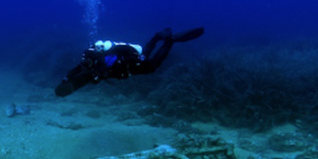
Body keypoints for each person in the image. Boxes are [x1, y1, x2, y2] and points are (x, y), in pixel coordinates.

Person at [55, 26, 205, 97]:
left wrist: (133, 57)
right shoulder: (89, 63)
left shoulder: (104, 55)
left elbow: (123, 49)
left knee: (151, 65)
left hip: (128, 62)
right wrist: (66, 84)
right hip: (125, 66)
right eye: (86, 63)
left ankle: (170, 41)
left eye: (88, 63)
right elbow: (77, 73)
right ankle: (156, 37)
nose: (87, 66)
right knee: (145, 54)